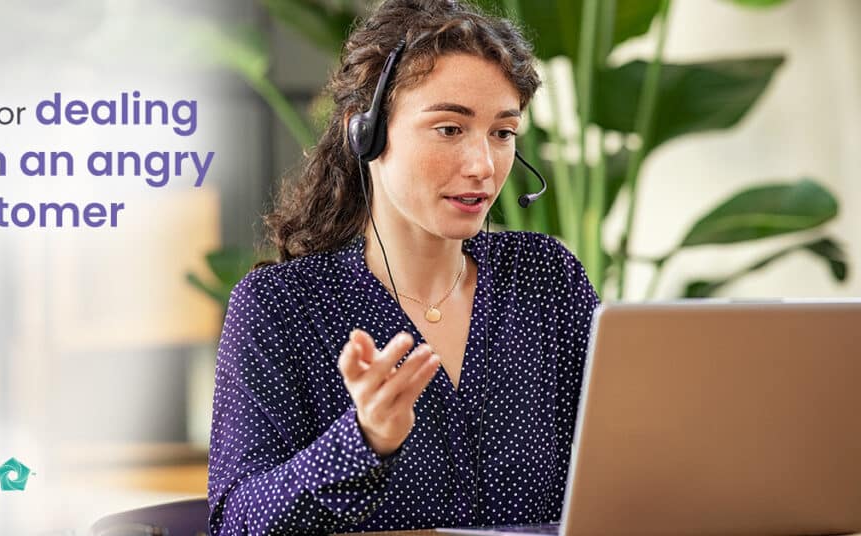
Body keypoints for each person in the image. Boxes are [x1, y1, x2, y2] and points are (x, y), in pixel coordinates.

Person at [207, 0, 599, 533]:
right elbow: (235, 521)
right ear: (364, 133)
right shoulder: (282, 307)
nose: (483, 165)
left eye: (502, 133)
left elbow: (628, 462)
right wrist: (364, 440)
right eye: (449, 129)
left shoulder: (545, 279)